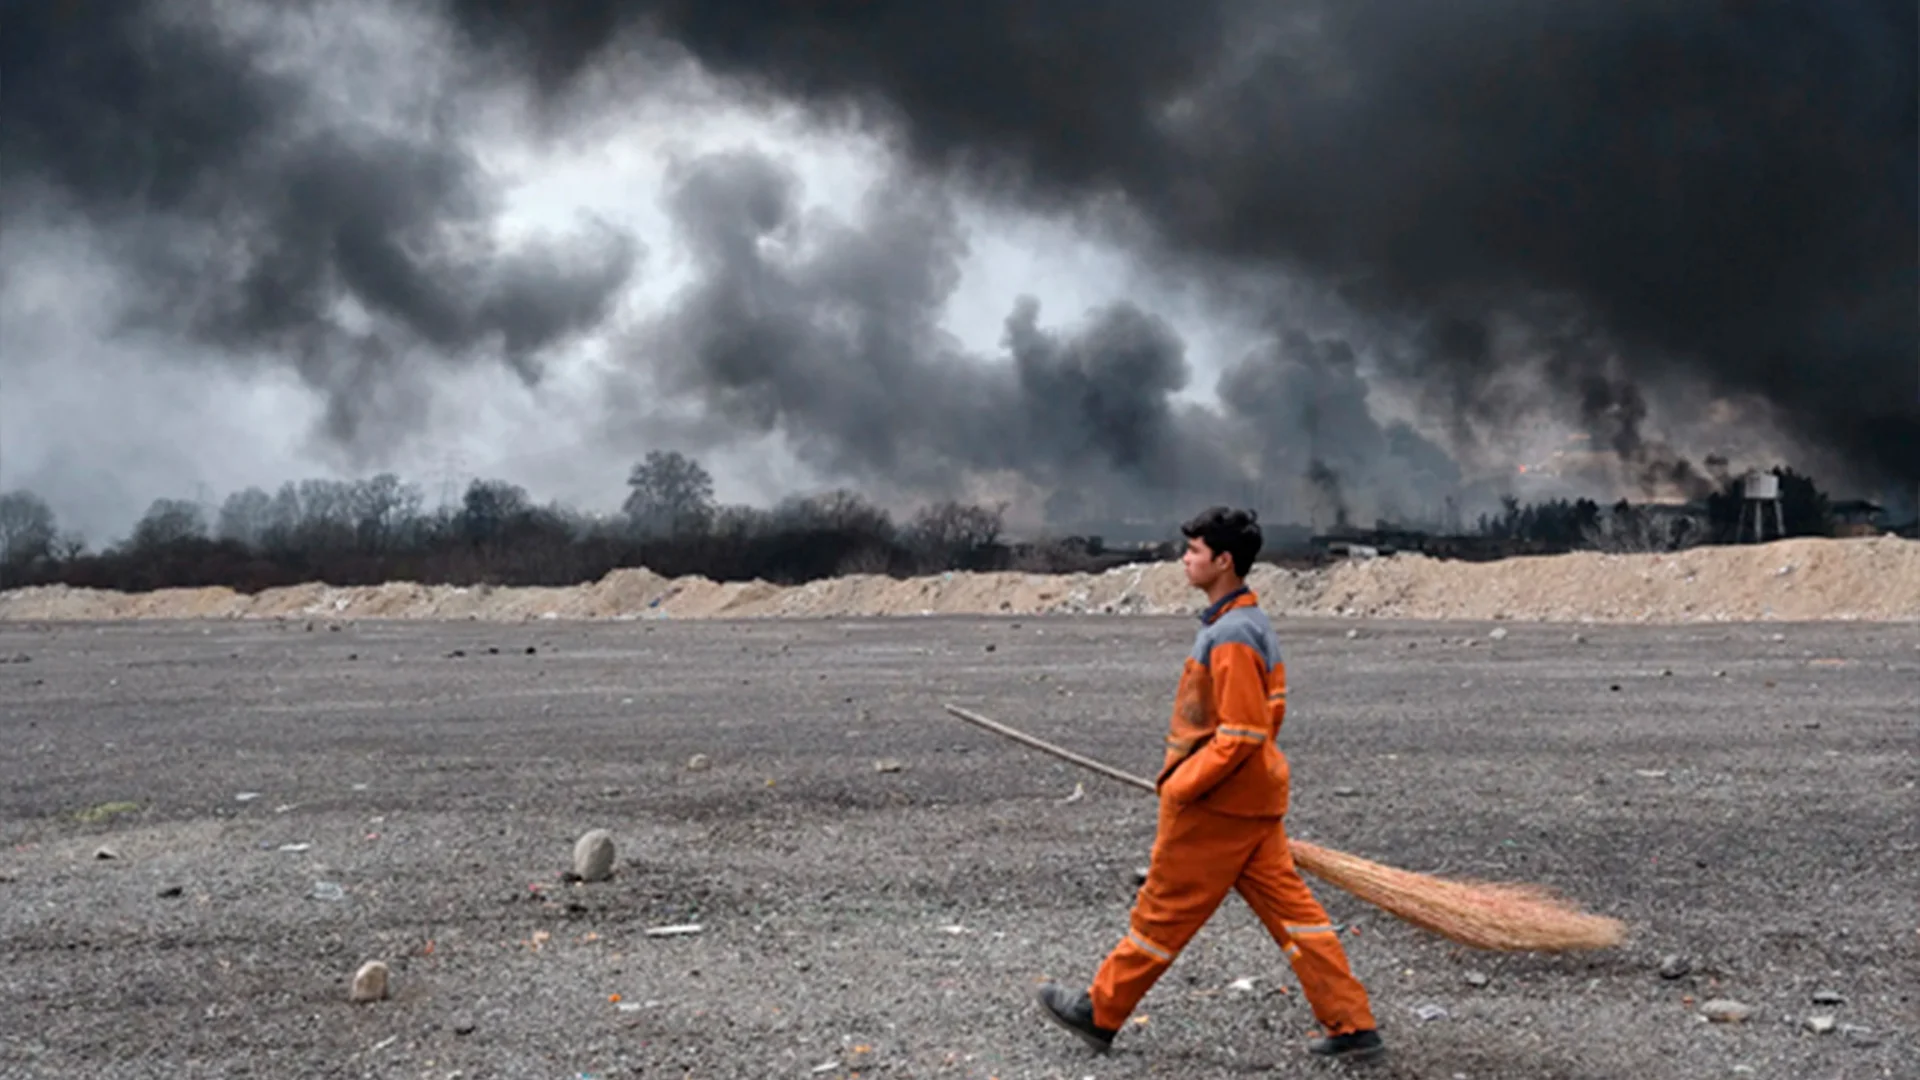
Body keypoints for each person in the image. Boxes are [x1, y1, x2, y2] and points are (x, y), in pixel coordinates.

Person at [1034, 506, 1385, 1061]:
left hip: (1216, 807)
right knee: (1298, 920)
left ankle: (1100, 1013)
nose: (1185, 561)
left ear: (1223, 561)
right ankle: (1353, 1027)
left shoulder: (1233, 633)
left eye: (1194, 551)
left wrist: (1180, 786)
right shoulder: (1246, 623)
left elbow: (1241, 733)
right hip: (1251, 804)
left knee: (1161, 914)